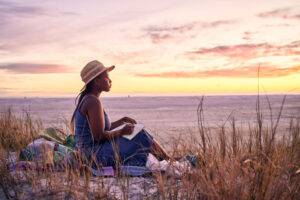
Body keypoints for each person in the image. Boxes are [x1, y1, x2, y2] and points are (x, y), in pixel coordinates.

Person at [70, 60, 171, 168]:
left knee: (138, 132)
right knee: (140, 134)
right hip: (94, 155)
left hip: (90, 152)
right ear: (96, 81)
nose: (110, 80)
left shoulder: (89, 99)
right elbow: (98, 136)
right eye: (107, 76)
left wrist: (121, 121)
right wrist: (122, 132)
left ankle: (167, 159)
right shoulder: (93, 101)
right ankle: (168, 160)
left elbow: (101, 128)